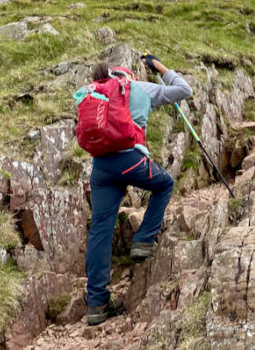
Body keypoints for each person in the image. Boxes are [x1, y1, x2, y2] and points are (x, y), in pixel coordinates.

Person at [75, 54, 193, 326]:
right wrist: (160, 66)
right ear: (128, 77)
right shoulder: (137, 88)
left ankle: (97, 304)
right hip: (130, 159)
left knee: (101, 228)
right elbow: (184, 90)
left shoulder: (95, 93)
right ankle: (143, 240)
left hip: (101, 167)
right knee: (164, 184)